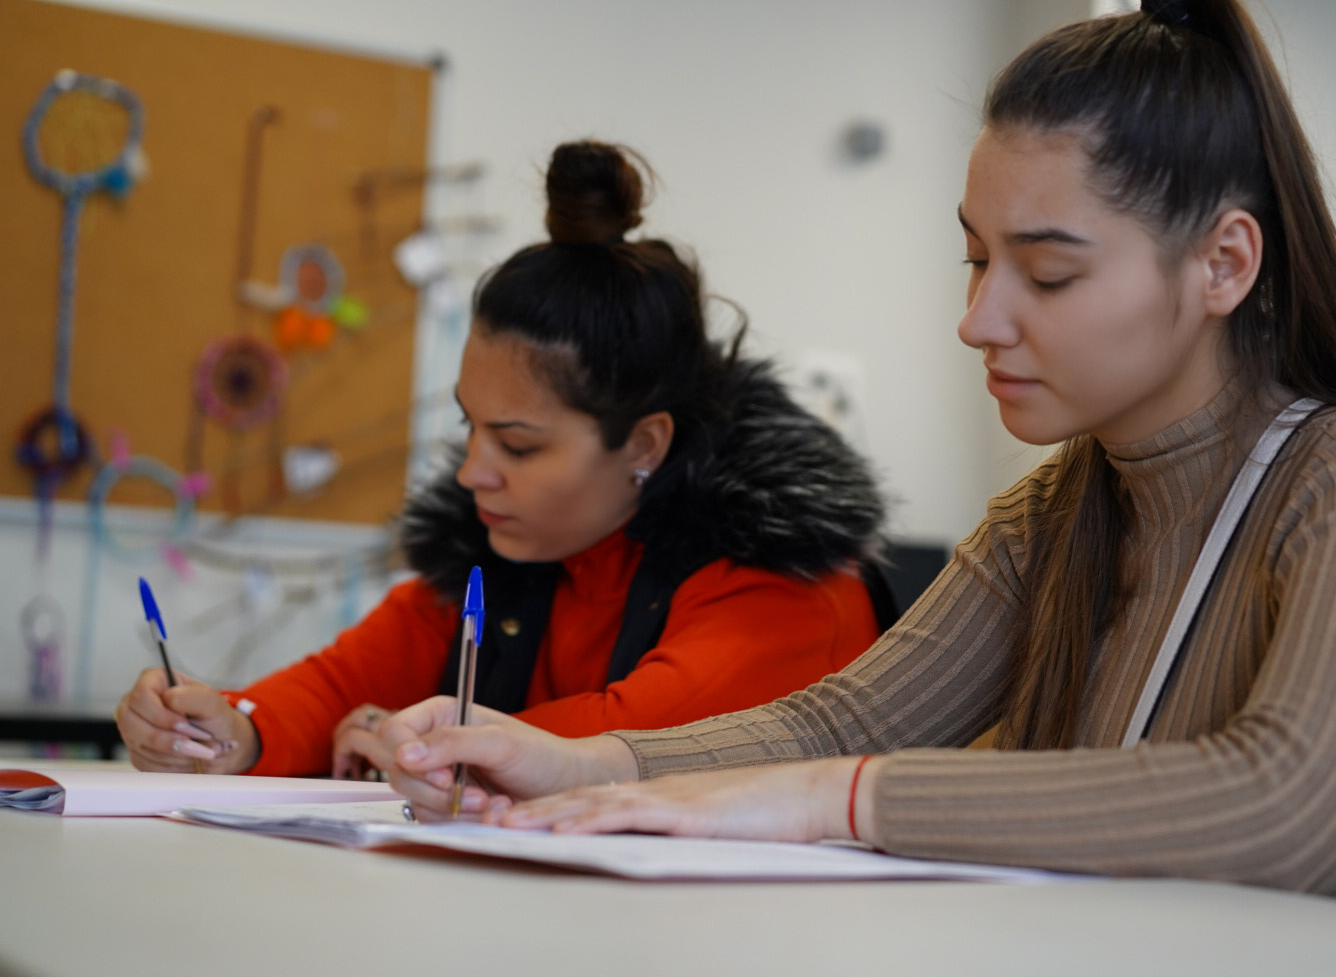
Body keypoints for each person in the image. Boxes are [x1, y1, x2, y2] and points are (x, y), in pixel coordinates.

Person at [378, 0, 1336, 924]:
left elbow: (1281, 809)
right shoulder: (1055, 507)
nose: (979, 319)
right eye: (975, 261)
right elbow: (842, 722)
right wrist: (587, 767)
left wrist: (820, 804)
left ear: (1222, 266)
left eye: (1046, 271)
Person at [114, 140, 889, 779]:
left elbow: (617, 745)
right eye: (469, 428)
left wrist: (401, 743)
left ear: (645, 444)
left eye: (517, 444)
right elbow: (341, 683)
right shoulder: (515, 540)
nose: (470, 472)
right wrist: (230, 731)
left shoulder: (789, 586)